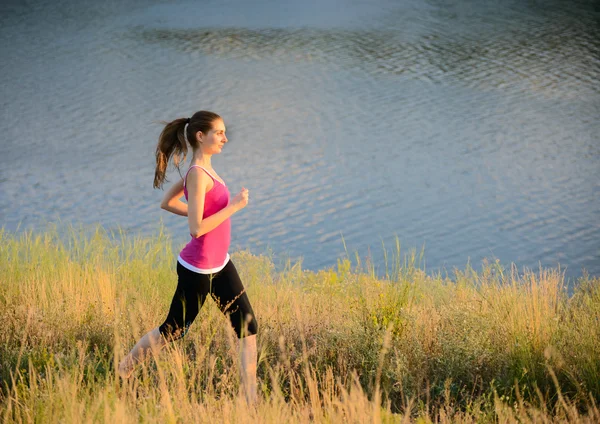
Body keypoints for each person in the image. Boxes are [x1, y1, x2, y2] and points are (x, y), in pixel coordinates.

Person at [118, 110, 258, 404]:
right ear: (200, 136)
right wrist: (234, 207)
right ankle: (123, 372)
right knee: (173, 329)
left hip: (220, 264)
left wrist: (209, 212)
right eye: (219, 133)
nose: (225, 138)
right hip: (198, 269)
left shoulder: (206, 169)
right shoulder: (196, 175)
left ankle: (251, 402)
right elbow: (196, 229)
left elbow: (167, 202)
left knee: (247, 327)